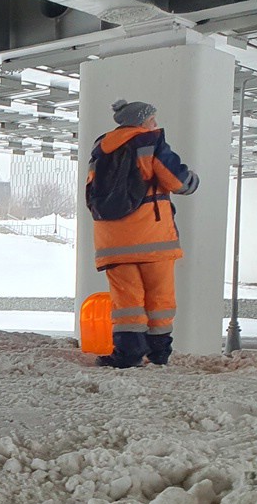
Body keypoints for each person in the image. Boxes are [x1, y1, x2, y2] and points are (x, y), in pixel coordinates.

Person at [85, 98, 199, 368]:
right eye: (152, 119)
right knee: (159, 299)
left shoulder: (100, 149)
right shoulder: (150, 141)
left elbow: (92, 191)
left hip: (111, 240)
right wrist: (193, 180)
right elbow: (177, 181)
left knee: (126, 302)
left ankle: (128, 355)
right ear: (142, 121)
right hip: (152, 238)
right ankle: (158, 354)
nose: (155, 124)